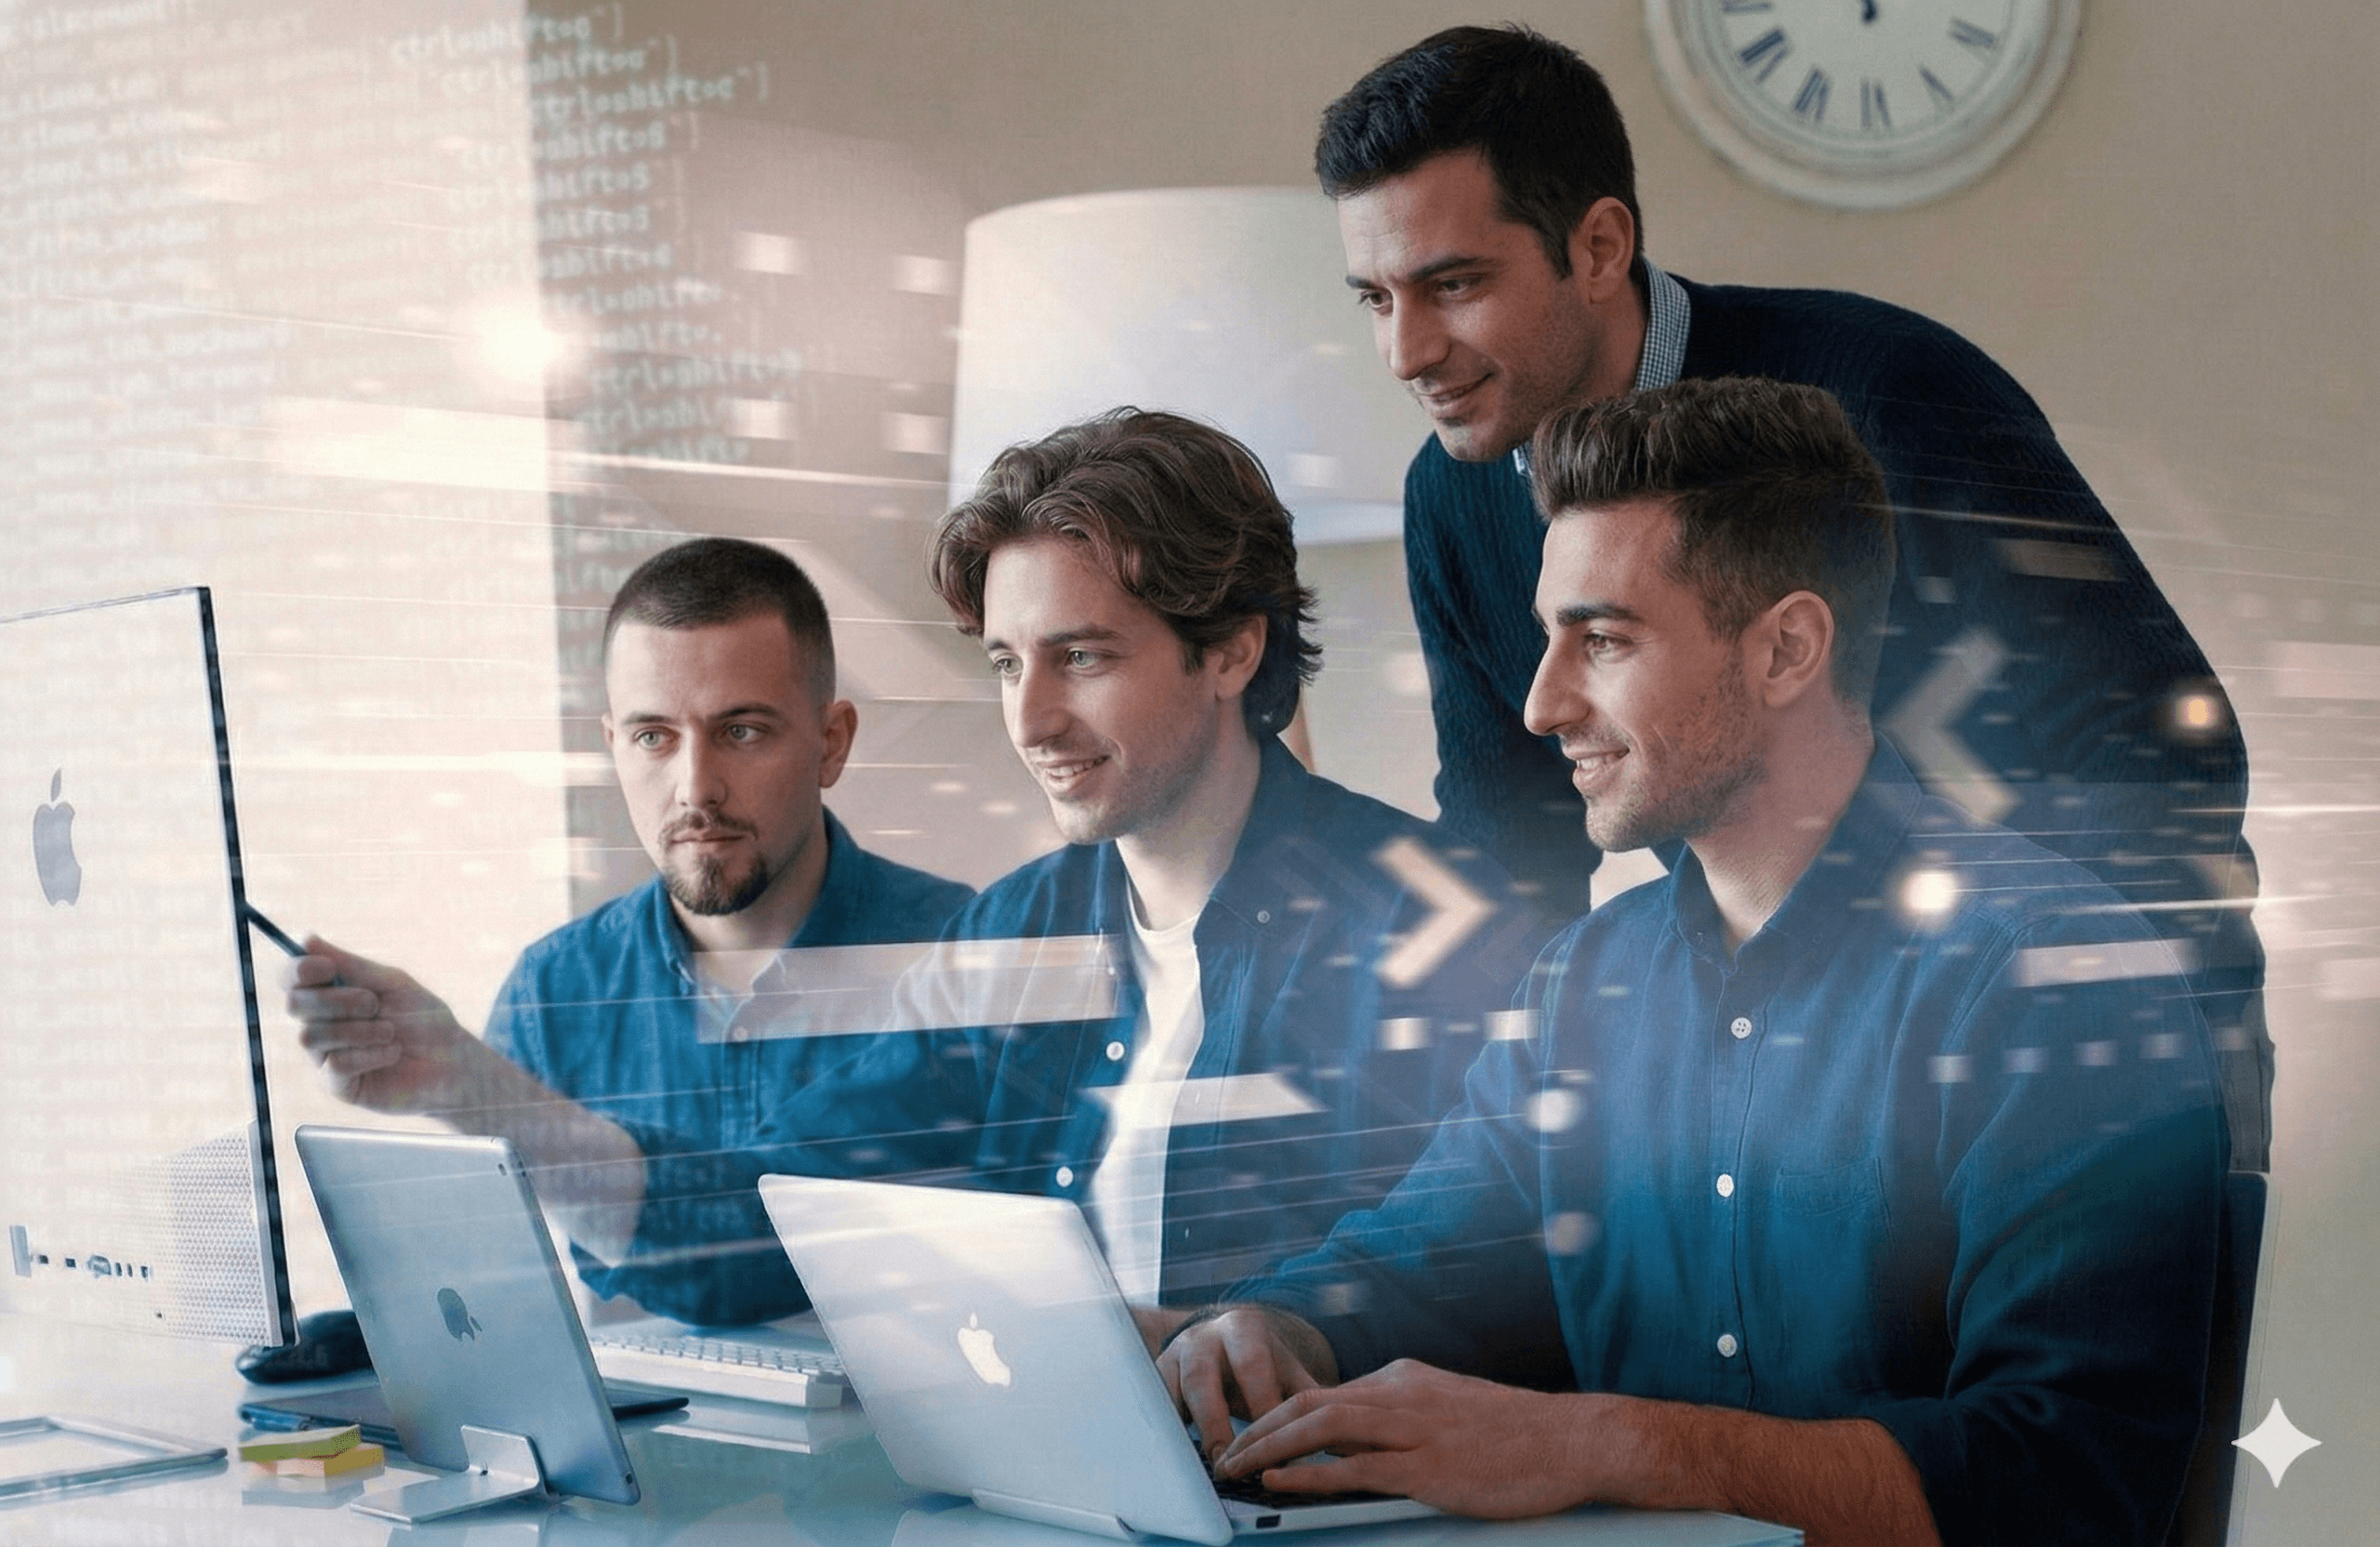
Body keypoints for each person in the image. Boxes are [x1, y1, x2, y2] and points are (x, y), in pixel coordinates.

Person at [1160, 380, 2227, 1547]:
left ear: (1785, 648)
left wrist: (1598, 1442)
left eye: (1604, 639)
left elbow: (2060, 1482)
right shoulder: (1584, 981)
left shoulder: (2053, 979)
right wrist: (1274, 1324)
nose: (1538, 703)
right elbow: (1432, 1255)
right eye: (1546, 636)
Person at [1317, 23, 2268, 1167]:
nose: (1406, 351)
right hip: (1789, 1079)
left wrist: (1971, 1053)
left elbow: (2151, 753)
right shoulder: (1454, 495)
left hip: (2088, 1070)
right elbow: (1509, 865)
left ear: (1601, 244)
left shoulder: (1887, 393)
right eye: (1374, 299)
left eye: (1453, 285)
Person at [783, 407, 1549, 1308]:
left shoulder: (1436, 926)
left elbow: (1502, 1282)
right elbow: (788, 1183)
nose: (1029, 722)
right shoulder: (1011, 930)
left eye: (1079, 655)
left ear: (1230, 649)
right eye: (1005, 664)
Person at [285, 537, 972, 1326]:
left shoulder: (961, 959)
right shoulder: (555, 989)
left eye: (742, 731)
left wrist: (478, 1092)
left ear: (832, 742)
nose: (695, 788)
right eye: (654, 737)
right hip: (640, 1449)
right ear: (615, 747)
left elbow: (767, 1255)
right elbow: (495, 1304)